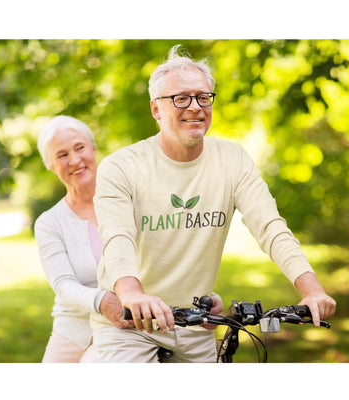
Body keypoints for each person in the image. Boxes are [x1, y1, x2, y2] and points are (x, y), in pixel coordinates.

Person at [90, 45, 336, 363]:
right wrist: (132, 294)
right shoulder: (122, 166)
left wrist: (312, 290)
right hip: (131, 323)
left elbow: (271, 228)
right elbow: (117, 238)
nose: (195, 106)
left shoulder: (232, 160)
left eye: (203, 97)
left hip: (196, 323)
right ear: (156, 110)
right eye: (181, 98)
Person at [34, 115, 132, 363]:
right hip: (73, 330)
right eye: (62, 155)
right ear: (51, 166)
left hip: (126, 324)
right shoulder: (49, 222)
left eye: (80, 148)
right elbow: (64, 285)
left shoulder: (127, 201)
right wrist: (101, 301)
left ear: (93, 149)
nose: (75, 160)